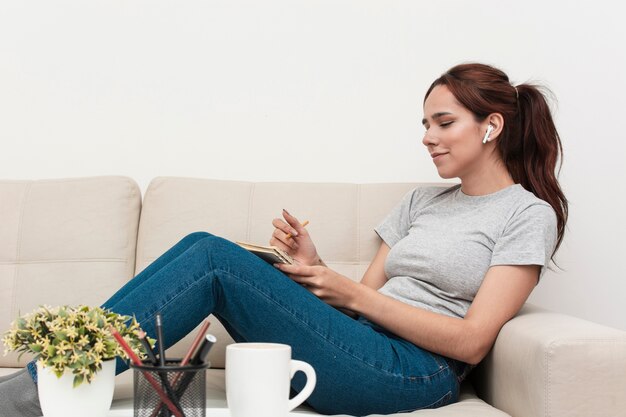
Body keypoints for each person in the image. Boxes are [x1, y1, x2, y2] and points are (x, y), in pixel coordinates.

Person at [0, 62, 568, 417]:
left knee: (211, 258)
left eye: (443, 123)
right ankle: (51, 379)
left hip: (413, 372)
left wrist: (348, 294)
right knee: (208, 252)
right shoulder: (423, 202)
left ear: (490, 126)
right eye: (424, 124)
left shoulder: (526, 214)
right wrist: (311, 268)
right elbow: (362, 300)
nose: (427, 138)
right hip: (358, 344)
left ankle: (36, 388)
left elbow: (471, 343)